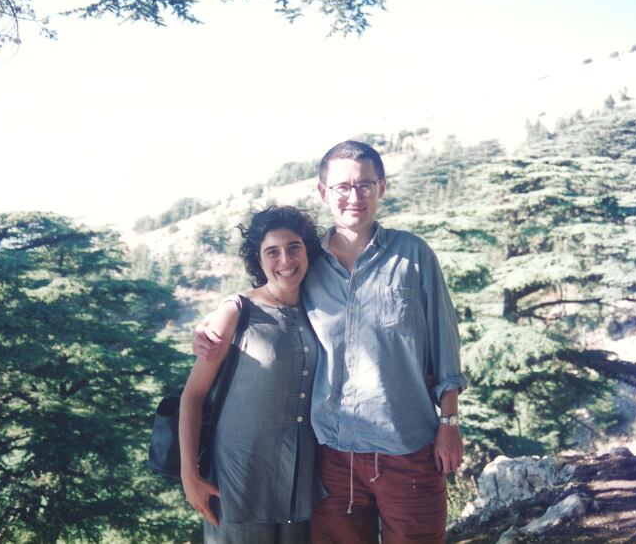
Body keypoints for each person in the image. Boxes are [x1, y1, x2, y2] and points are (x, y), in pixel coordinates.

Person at [194, 140, 467, 544]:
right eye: (341, 187)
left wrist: (450, 422)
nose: (353, 197)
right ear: (324, 193)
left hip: (408, 449)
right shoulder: (308, 263)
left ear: (381, 188)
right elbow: (270, 297)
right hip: (332, 459)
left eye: (364, 185)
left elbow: (446, 345)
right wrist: (216, 317)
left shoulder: (413, 256)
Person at [179, 206, 323, 544]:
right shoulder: (237, 311)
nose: (285, 259)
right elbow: (193, 395)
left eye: (293, 247)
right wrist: (190, 475)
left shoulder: (319, 307)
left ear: (307, 251)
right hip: (237, 485)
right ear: (258, 260)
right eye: (272, 251)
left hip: (299, 487)